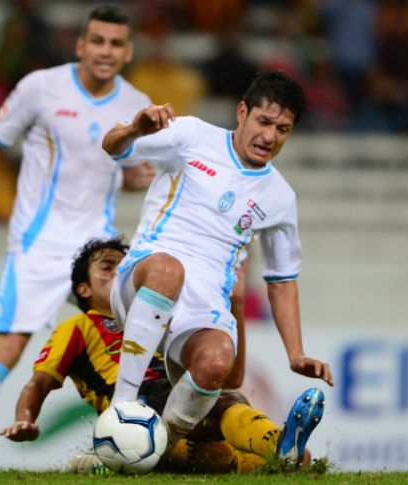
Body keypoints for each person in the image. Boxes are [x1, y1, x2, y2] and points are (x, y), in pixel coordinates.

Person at [0, 5, 154, 472]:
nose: (105, 50)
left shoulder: (136, 102)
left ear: (128, 51)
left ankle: (133, 451)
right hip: (38, 245)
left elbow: (131, 173)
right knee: (7, 347)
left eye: (116, 43)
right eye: (97, 40)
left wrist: (142, 175)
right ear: (80, 45)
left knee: (126, 346)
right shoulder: (40, 88)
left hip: (99, 253)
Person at [101, 71, 334, 459]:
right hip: (143, 278)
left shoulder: (279, 198)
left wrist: (295, 353)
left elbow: (281, 280)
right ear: (242, 112)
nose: (271, 137)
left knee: (218, 362)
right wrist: (134, 128)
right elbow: (113, 148)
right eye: (264, 122)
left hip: (202, 304)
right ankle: (119, 409)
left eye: (283, 129)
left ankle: (155, 448)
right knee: (168, 271)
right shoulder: (192, 135)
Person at [0, 237, 322, 473]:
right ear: (83, 289)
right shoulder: (78, 326)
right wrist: (24, 419)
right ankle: (278, 443)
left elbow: (231, 375)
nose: (118, 274)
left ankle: (113, 464)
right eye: (107, 267)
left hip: (176, 423)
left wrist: (236, 303)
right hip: (137, 407)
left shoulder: (162, 319)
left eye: (124, 267)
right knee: (227, 405)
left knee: (243, 456)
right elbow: (38, 383)